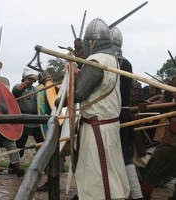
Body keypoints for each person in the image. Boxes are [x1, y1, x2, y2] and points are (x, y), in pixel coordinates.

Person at [72, 18, 129, 199]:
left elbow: (78, 93)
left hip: (97, 129)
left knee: (97, 177)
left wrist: (72, 78)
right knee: (111, 174)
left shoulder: (95, 60)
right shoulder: (113, 59)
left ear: (92, 42)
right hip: (109, 126)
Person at [110, 27, 144, 200]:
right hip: (123, 113)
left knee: (118, 155)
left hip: (111, 116)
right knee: (125, 155)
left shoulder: (109, 63)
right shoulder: (127, 63)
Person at [139, 75, 176, 200]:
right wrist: (149, 105)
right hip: (172, 140)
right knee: (153, 169)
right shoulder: (174, 80)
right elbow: (166, 101)